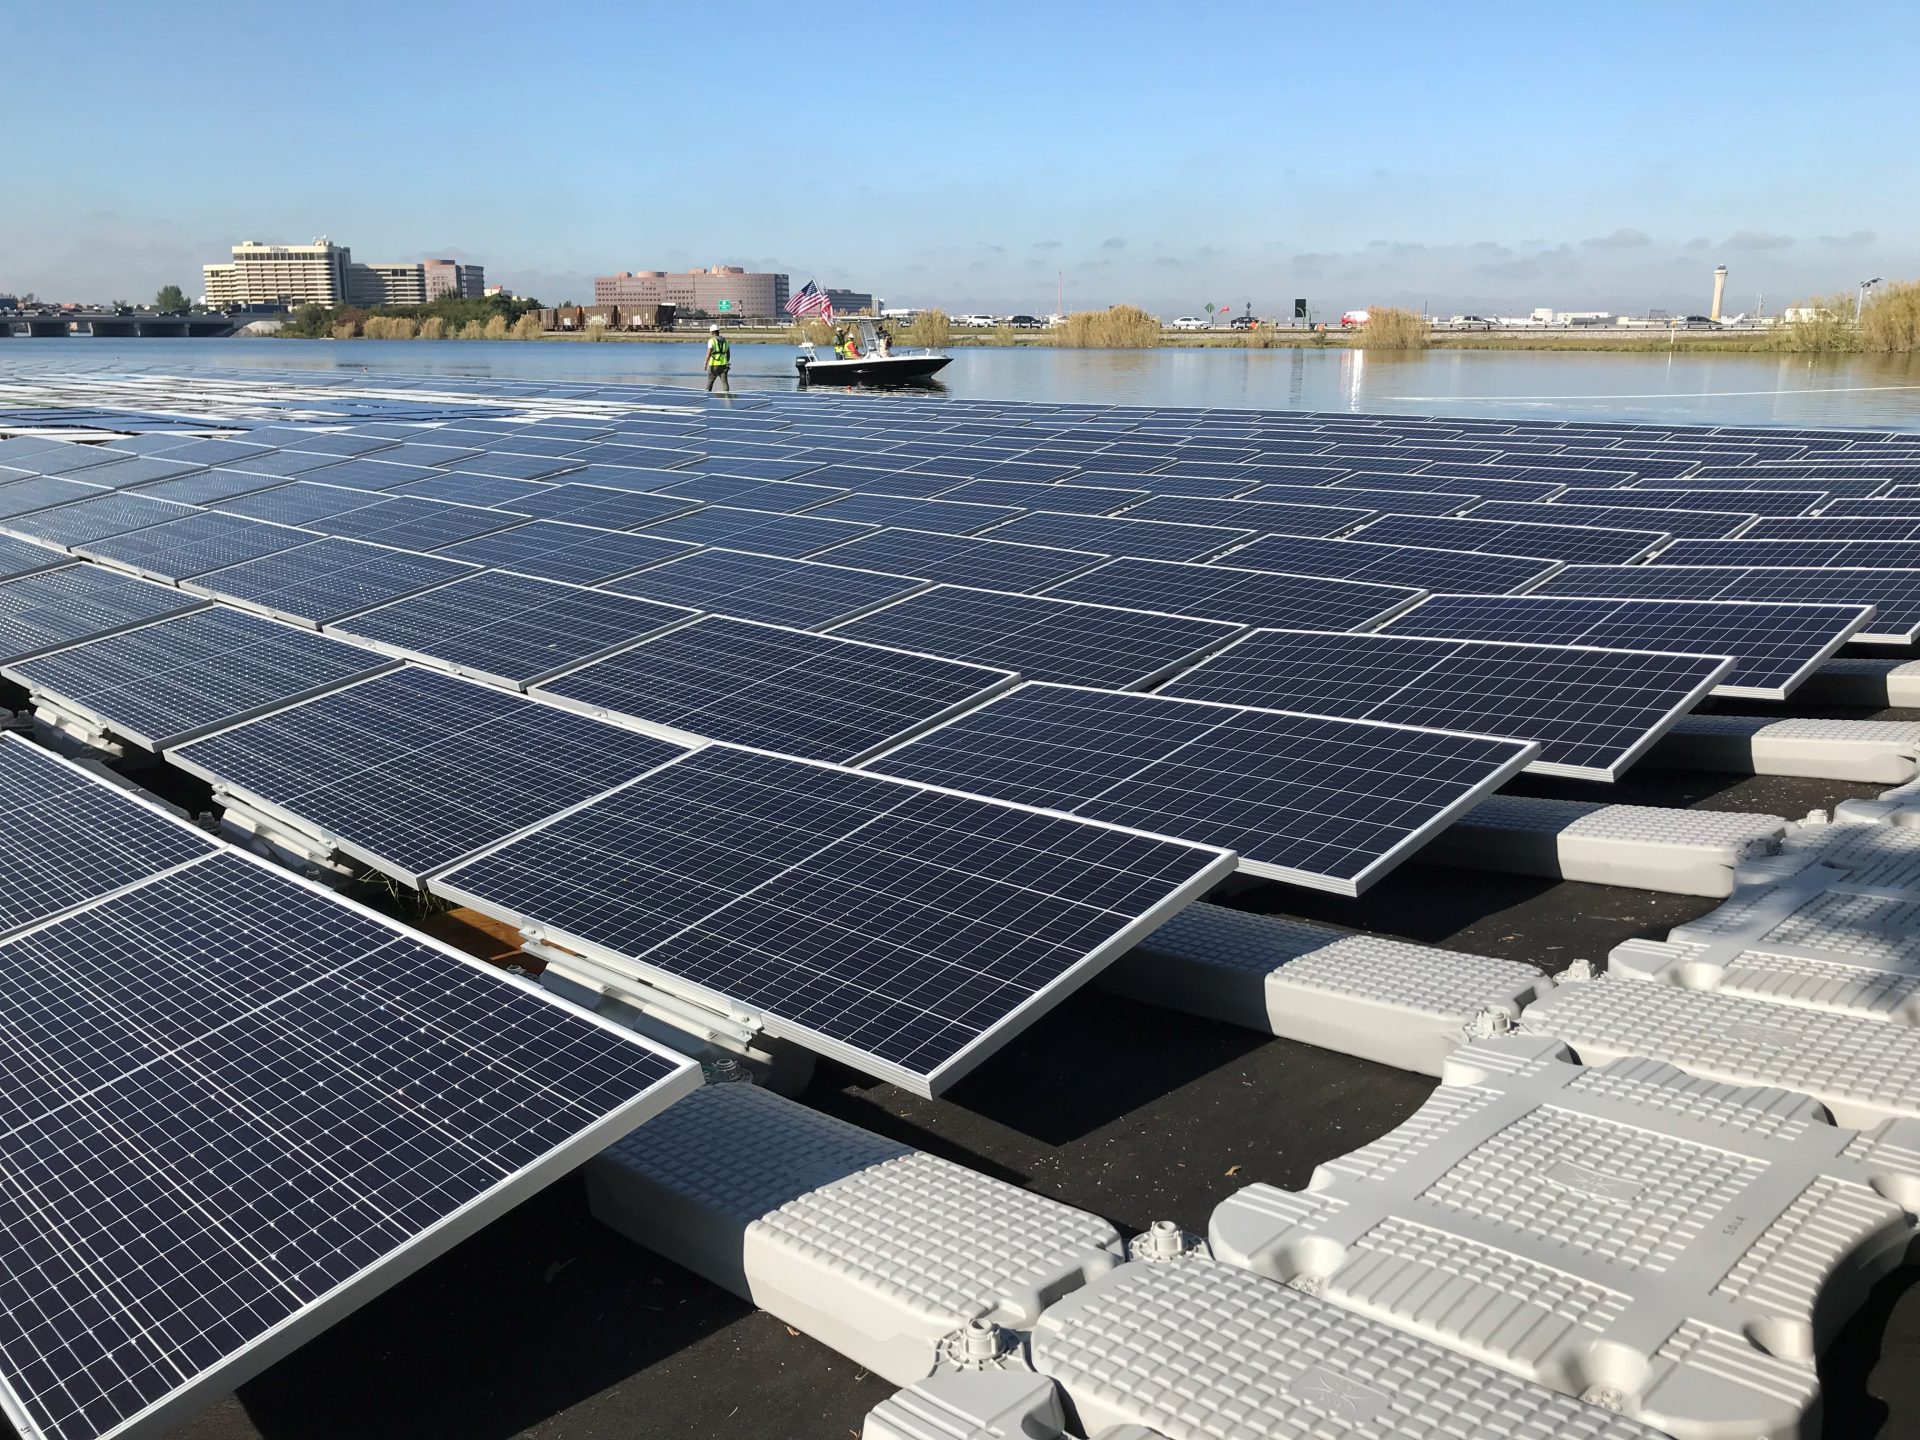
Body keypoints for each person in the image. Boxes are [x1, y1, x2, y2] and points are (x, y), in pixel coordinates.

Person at [703, 324, 731, 393]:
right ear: (718, 331)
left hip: (713, 365)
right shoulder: (725, 341)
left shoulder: (711, 340)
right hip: (723, 364)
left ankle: (707, 395)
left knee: (710, 382)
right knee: (725, 382)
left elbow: (709, 353)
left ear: (712, 332)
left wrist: (705, 363)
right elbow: (728, 354)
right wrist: (727, 362)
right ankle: (727, 396)